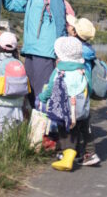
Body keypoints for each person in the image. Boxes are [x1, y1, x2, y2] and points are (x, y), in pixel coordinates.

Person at [2, 0, 67, 105]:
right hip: (30, 52)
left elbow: (60, 23)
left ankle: (47, 127)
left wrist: (61, 55)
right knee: (30, 96)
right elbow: (9, 4)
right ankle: (37, 126)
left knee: (43, 96)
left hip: (45, 53)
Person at [38, 36, 90, 171]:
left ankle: (68, 157)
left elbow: (50, 89)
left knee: (65, 132)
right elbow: (89, 87)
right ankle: (76, 153)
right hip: (81, 108)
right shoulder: (83, 70)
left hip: (64, 109)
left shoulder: (59, 71)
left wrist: (43, 98)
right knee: (76, 129)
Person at [66, 15, 100, 166]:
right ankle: (85, 152)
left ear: (75, 33)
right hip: (84, 89)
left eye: (71, 27)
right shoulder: (88, 49)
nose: (68, 27)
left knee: (77, 120)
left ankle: (83, 153)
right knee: (83, 120)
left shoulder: (78, 51)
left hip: (77, 89)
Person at [0, 31, 27, 139]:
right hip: (17, 103)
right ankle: (10, 148)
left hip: (0, 101)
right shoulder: (19, 63)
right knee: (11, 129)